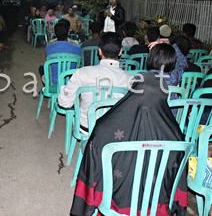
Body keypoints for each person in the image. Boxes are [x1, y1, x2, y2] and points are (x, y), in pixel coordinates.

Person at [70, 44, 188, 216]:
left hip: (116, 201)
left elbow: (92, 161)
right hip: (156, 205)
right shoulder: (175, 135)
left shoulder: (105, 127)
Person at [58, 32, 131, 131]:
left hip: (86, 127)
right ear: (120, 52)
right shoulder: (129, 78)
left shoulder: (82, 72)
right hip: (115, 131)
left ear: (99, 51)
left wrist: (76, 99)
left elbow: (64, 103)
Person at [38, 20, 81, 84]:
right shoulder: (77, 48)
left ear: (55, 33)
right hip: (70, 82)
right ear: (68, 32)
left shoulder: (49, 47)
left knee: (41, 68)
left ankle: (46, 88)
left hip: (53, 82)